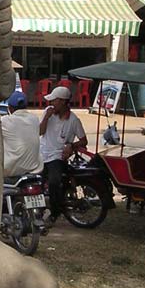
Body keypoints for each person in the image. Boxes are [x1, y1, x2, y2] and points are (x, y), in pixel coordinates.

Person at [39, 86, 88, 226]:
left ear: (62, 102)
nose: (51, 104)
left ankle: (55, 212)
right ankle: (39, 210)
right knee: (36, 183)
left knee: (54, 182)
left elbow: (84, 141)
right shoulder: (47, 114)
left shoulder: (73, 120)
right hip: (43, 153)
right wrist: (46, 118)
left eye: (53, 101)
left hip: (57, 156)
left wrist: (71, 146)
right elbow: (40, 132)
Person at [1, 90, 42, 178]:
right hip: (34, 167)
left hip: (11, 169)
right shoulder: (34, 119)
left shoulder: (5, 121)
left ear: (10, 108)